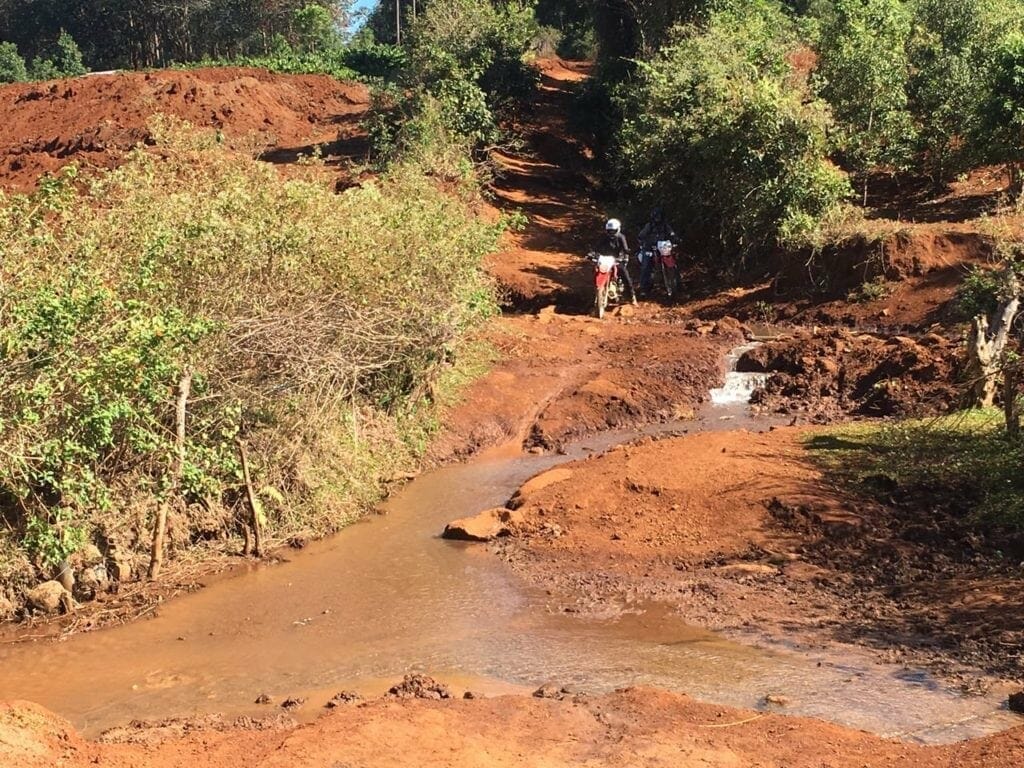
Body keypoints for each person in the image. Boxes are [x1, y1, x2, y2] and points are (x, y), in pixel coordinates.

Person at [592, 217, 637, 305]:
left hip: (617, 259)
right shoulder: (604, 237)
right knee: (596, 271)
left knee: (625, 275)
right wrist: (592, 253)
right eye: (609, 231)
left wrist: (626, 253)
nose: (611, 233)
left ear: (618, 229)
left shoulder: (621, 237)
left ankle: (632, 297)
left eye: (613, 231)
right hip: (605, 260)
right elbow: (596, 247)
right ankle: (596, 293)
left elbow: (625, 248)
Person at [636, 207, 677, 295]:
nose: (658, 218)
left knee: (674, 263)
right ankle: (644, 288)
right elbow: (641, 235)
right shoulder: (649, 226)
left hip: (663, 248)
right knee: (646, 266)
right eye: (656, 216)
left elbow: (671, 233)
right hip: (650, 249)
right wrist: (645, 242)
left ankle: (677, 283)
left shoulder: (666, 225)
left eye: (659, 216)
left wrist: (675, 239)